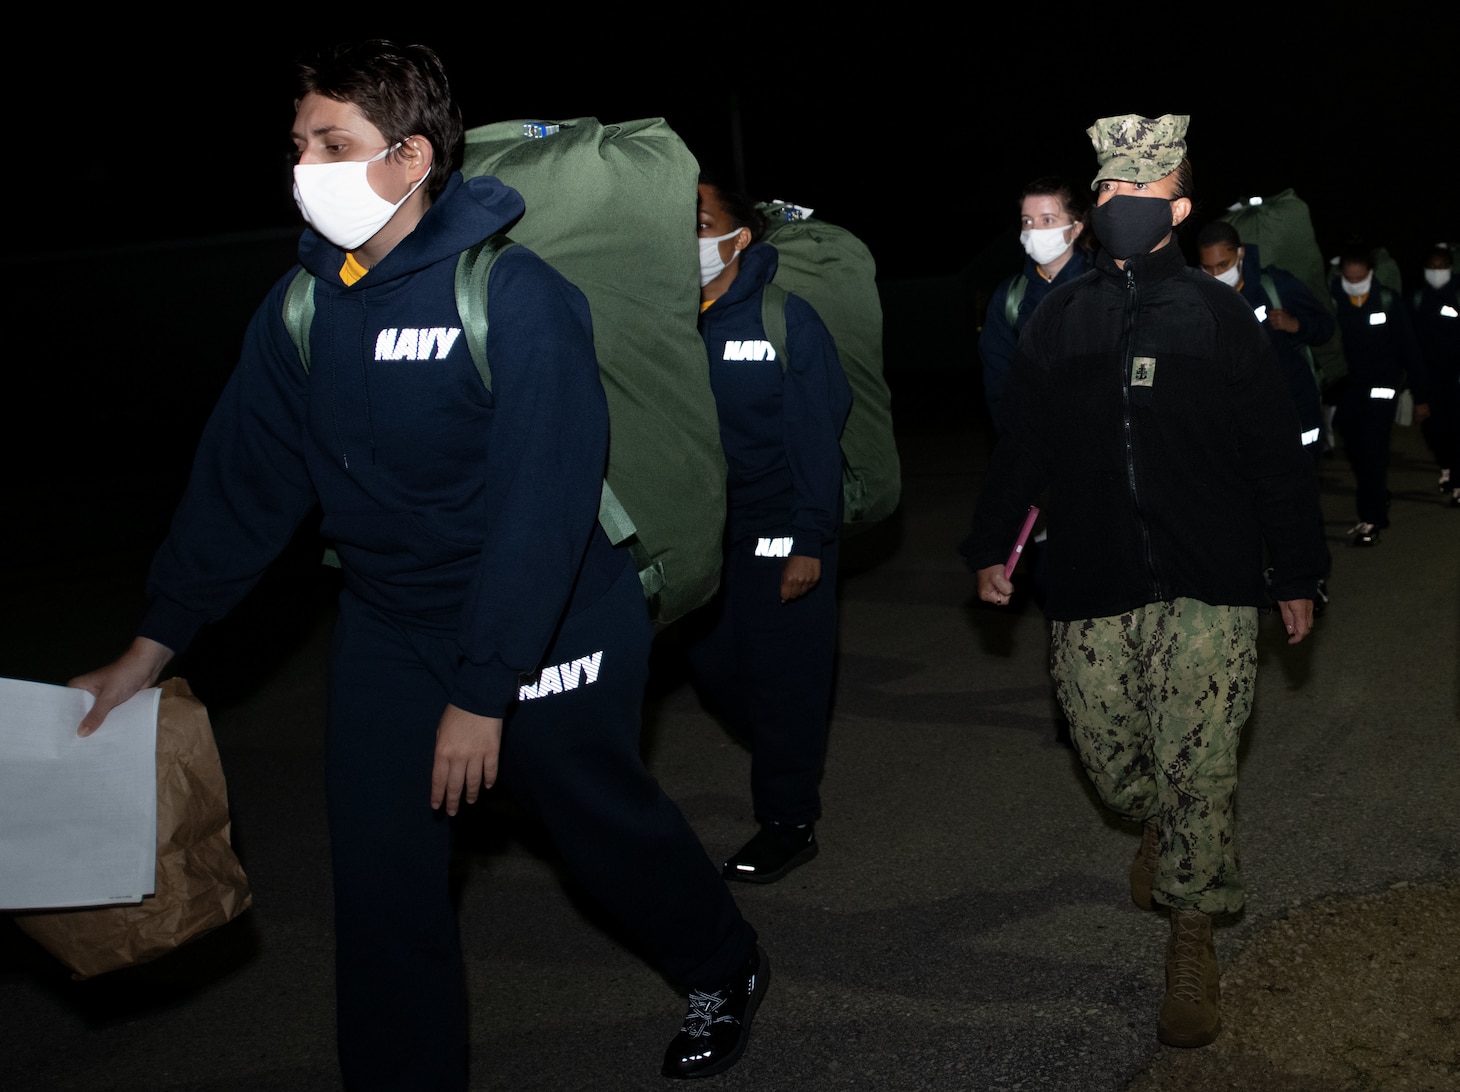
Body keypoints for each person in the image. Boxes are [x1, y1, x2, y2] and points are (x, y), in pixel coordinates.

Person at [67, 40, 766, 1088]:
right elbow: (241, 486)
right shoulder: (303, 308)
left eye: (332, 143)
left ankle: (722, 961)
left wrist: (485, 693)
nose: (305, 164)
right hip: (394, 626)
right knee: (384, 887)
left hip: (554, 615)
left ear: (410, 158)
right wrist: (150, 645)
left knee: (594, 826)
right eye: (299, 142)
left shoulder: (515, 296)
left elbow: (545, 505)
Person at [962, 114, 1325, 1050]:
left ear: (1181, 205)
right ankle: (1155, 828)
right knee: (1118, 770)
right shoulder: (1060, 316)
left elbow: (1274, 456)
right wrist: (990, 544)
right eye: (1112, 189)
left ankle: (1193, 933)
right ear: (1097, 206)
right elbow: (1024, 446)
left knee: (1199, 767)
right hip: (1091, 577)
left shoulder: (1214, 313)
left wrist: (1297, 569)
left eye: (1144, 189)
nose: (1125, 204)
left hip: (1209, 580)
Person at [684, 177, 852, 885]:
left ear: (737, 236)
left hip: (782, 528)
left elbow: (819, 434)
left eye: (699, 221)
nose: (686, 236)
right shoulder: (669, 323)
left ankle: (788, 821)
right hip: (706, 537)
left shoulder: (784, 319)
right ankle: (791, 747)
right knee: (714, 668)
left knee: (783, 678)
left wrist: (809, 538)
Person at [1196, 220, 1334, 461]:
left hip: (1295, 410)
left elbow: (1326, 328)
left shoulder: (1276, 285)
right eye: (1208, 268)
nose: (1217, 275)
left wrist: (1297, 325)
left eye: (1223, 265)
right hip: (1241, 419)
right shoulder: (1198, 297)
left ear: (1240, 253)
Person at [1329, 244, 1430, 544]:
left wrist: (1421, 396)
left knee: (1374, 452)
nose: (1355, 283)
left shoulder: (1388, 300)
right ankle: (1377, 495)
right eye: (1350, 278)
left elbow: (1410, 349)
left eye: (1360, 278)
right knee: (1357, 453)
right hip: (1346, 391)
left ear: (1370, 273)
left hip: (1382, 390)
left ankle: (1370, 520)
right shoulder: (1331, 300)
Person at [980, 177, 1093, 436]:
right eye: (1027, 221)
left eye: (1048, 220)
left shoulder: (1106, 286)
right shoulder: (1009, 296)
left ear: (1076, 228)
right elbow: (999, 381)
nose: (1034, 230)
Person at [1410, 243, 1460, 506]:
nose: (1436, 272)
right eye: (1432, 267)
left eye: (1441, 267)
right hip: (1430, 376)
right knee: (1434, 429)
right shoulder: (1418, 297)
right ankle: (1446, 465)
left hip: (1456, 376)